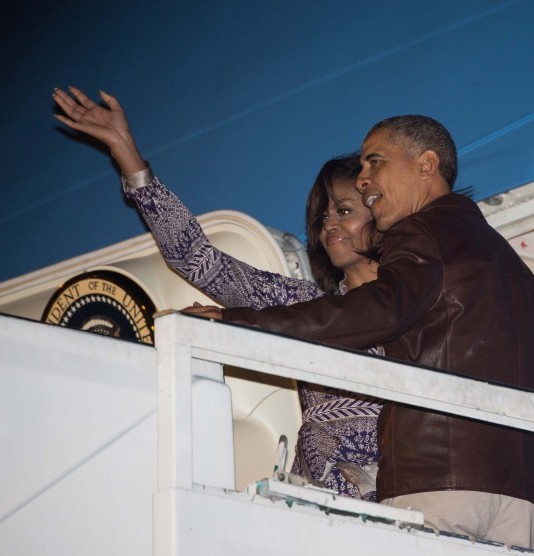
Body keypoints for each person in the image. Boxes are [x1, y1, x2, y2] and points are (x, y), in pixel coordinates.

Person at [187, 114, 534, 550]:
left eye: (375, 163)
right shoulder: (514, 268)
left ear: (426, 165)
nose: (365, 179)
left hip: (435, 482)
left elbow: (377, 311)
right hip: (518, 502)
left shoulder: (422, 230)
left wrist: (238, 325)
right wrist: (518, 481)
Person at [52, 86, 383, 500]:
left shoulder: (421, 302)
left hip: (397, 501)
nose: (328, 224)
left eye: (345, 211)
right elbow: (196, 257)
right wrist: (126, 152)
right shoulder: (304, 303)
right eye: (324, 215)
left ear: (383, 214)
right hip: (313, 499)